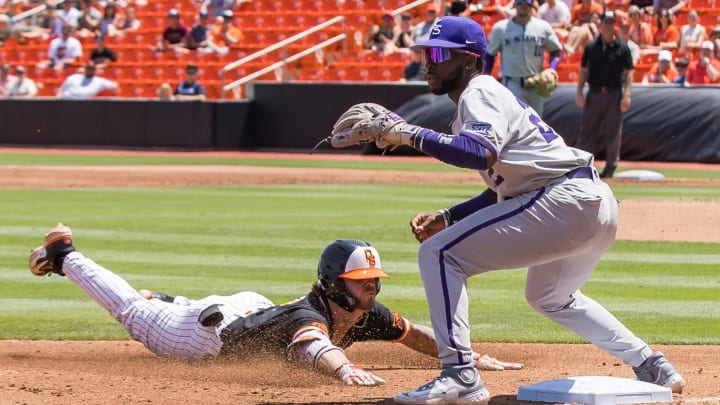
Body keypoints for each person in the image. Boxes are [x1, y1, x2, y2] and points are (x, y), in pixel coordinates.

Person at [328, 15, 686, 404]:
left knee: (440, 253)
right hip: (590, 203)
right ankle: (652, 364)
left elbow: (478, 152)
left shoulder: (478, 92)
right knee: (549, 295)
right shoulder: (483, 98)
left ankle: (460, 374)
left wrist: (410, 134)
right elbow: (510, 186)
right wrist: (450, 216)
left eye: (438, 54)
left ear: (468, 61)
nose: (428, 62)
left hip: (563, 201)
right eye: (424, 53)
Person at [28, 224, 523, 385]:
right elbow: (314, 346)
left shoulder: (359, 309)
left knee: (250, 311)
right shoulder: (311, 315)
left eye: (373, 280)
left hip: (249, 309)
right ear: (335, 283)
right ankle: (64, 255)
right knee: (134, 315)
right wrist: (344, 370)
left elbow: (413, 335)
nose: (371, 289)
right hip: (201, 334)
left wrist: (467, 358)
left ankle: (167, 298)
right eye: (361, 281)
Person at [575, 11, 634, 179]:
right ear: (600, 25)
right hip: (594, 92)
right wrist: (579, 91)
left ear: (614, 25)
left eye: (611, 22)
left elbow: (629, 73)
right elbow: (583, 71)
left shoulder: (622, 47)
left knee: (613, 132)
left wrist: (627, 95)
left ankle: (610, 168)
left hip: (614, 93)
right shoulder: (591, 47)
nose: (608, 26)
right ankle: (582, 166)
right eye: (605, 22)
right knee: (587, 131)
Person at [484, 0, 563, 116]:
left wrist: (552, 69)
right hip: (512, 84)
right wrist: (486, 78)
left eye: (528, 1)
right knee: (514, 126)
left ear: (533, 4)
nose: (524, 4)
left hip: (537, 84)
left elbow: (556, 51)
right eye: (520, 1)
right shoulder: (500, 28)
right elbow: (490, 55)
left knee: (536, 127)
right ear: (514, 4)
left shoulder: (543, 27)